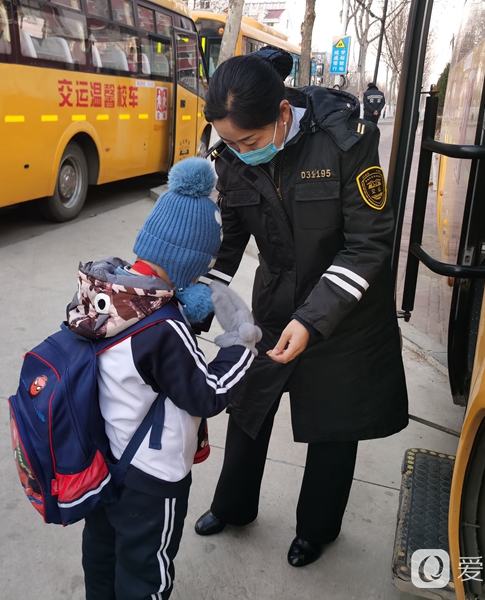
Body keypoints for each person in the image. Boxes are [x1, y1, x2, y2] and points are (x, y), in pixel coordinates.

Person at [194, 48, 409, 567]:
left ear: (282, 114)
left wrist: (313, 319)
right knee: (251, 406)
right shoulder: (233, 159)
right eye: (228, 143)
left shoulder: (344, 140)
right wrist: (193, 305)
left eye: (248, 140)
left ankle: (316, 529)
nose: (239, 152)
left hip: (346, 307)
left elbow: (369, 242)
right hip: (276, 300)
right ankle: (233, 506)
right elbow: (229, 243)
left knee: (334, 421)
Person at [75, 158, 262, 599]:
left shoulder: (102, 294)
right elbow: (207, 395)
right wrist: (240, 342)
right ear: (192, 263)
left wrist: (182, 304)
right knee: (147, 578)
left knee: (102, 558)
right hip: (151, 480)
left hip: (103, 463)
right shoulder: (165, 328)